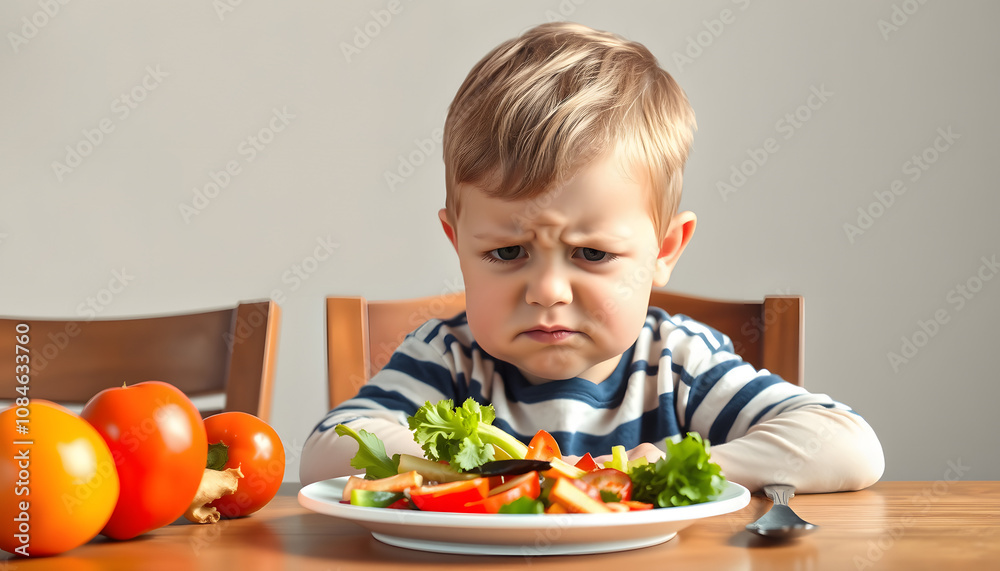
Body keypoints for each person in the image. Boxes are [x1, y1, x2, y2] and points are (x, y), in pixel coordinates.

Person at [300, 22, 884, 493]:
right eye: (507, 251)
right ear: (458, 247)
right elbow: (327, 450)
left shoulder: (676, 366)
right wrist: (476, 468)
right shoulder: (448, 360)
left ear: (666, 250)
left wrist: (652, 470)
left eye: (592, 253)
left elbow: (847, 445)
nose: (548, 290)